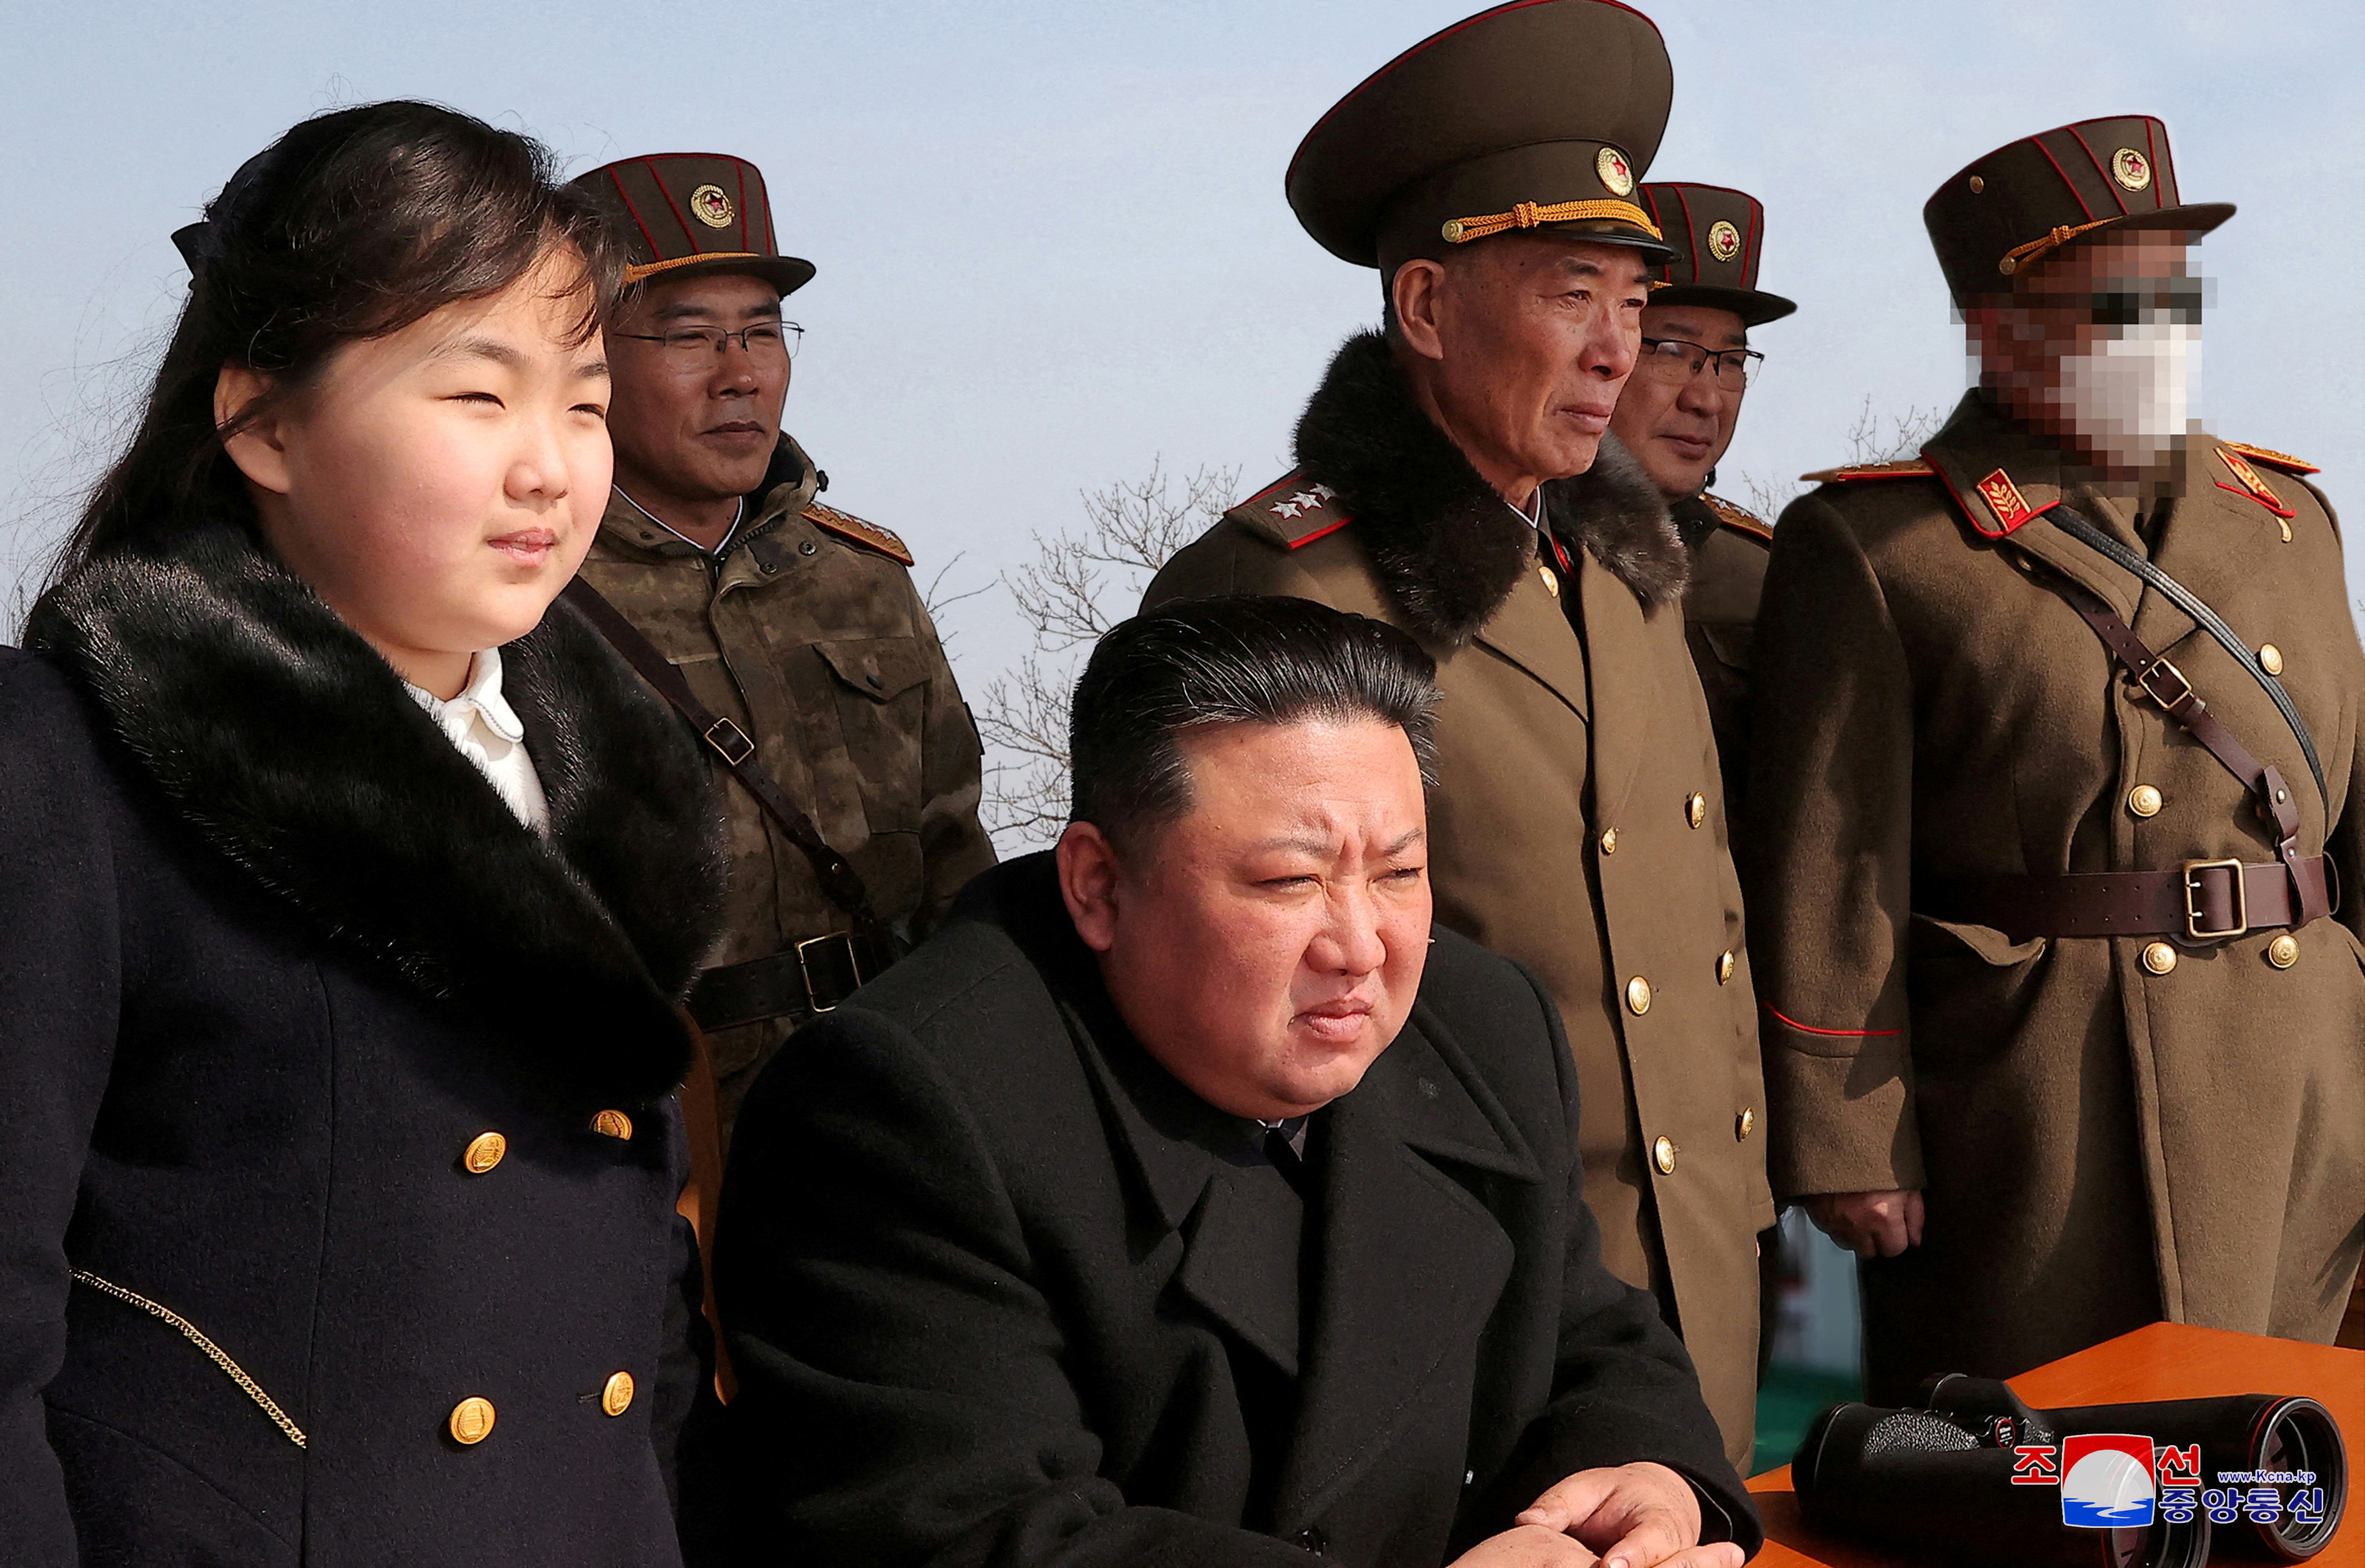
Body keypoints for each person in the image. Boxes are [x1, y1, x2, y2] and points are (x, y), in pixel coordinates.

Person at [0, 103, 726, 1562]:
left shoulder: (614, 788)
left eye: (582, 404)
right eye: (478, 397)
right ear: (264, 419)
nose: (549, 467)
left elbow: (632, 1303)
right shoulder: (70, 764)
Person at [690, 595, 1759, 1567]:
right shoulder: (902, 1102)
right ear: (1099, 885)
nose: (1360, 943)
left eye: (1399, 870)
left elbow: (1586, 1333)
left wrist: (1651, 1479)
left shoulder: (1481, 1024)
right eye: (1291, 880)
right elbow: (972, 1533)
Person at [1142, 0, 1769, 1469]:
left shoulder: (1623, 570)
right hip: (1442, 1288)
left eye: (1633, 303)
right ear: (1425, 310)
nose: (1618, 352)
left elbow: (1699, 907)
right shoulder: (1289, 587)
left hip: (1687, 1264)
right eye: (1572, 297)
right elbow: (1200, 1009)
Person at [1744, 115, 2365, 1401]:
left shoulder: (2291, 517)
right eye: (2110, 301)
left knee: (2276, 1466)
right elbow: (1827, 866)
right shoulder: (1883, 544)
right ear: (1996, 325)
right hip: (2037, 1091)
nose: (2156, 329)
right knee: (2059, 1472)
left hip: (2296, 1072)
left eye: (2171, 293)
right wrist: (1852, 1135)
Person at [568, 153, 995, 1144]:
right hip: (649, 1124)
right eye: (690, 338)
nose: (742, 374)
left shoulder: (861, 577)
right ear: (585, 356)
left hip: (887, 1089)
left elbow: (955, 861)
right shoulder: (532, 594)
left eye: (763, 332)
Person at [1608, 183, 1795, 816]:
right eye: (1671, 352)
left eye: (1731, 360)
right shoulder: (1507, 550)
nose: (1706, 398)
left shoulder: (1764, 578)